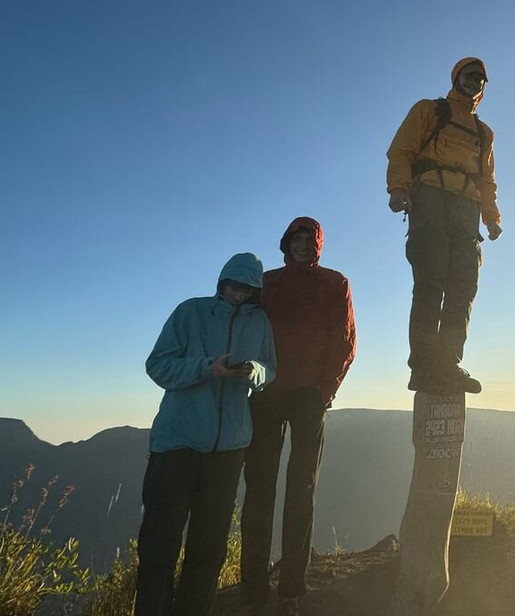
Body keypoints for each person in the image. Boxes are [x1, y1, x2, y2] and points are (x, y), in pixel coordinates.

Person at [135, 253, 276, 616]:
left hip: (228, 449)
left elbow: (270, 368)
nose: (239, 294)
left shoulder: (260, 321)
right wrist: (205, 368)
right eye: (234, 286)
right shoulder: (190, 312)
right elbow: (158, 365)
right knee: (159, 545)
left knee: (209, 548)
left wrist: (254, 372)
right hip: (177, 444)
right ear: (222, 281)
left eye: (247, 289)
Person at [240, 217, 356, 616]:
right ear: (287, 242)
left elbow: (345, 338)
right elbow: (246, 327)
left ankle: (291, 588)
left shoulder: (335, 283)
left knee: (300, 491)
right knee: (259, 490)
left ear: (318, 244)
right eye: (297, 238)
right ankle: (253, 588)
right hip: (266, 393)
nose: (303, 245)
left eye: (310, 239)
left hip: (309, 396)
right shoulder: (268, 282)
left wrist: (326, 391)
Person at [386, 56, 502, 395]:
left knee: (463, 286)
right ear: (456, 78)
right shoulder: (428, 110)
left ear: (483, 86)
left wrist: (492, 217)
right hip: (431, 197)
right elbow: (402, 151)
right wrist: (398, 189)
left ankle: (447, 363)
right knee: (431, 282)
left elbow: (487, 181)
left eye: (480, 78)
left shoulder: (484, 133)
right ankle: (423, 366)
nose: (474, 81)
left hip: (467, 207)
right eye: (469, 75)